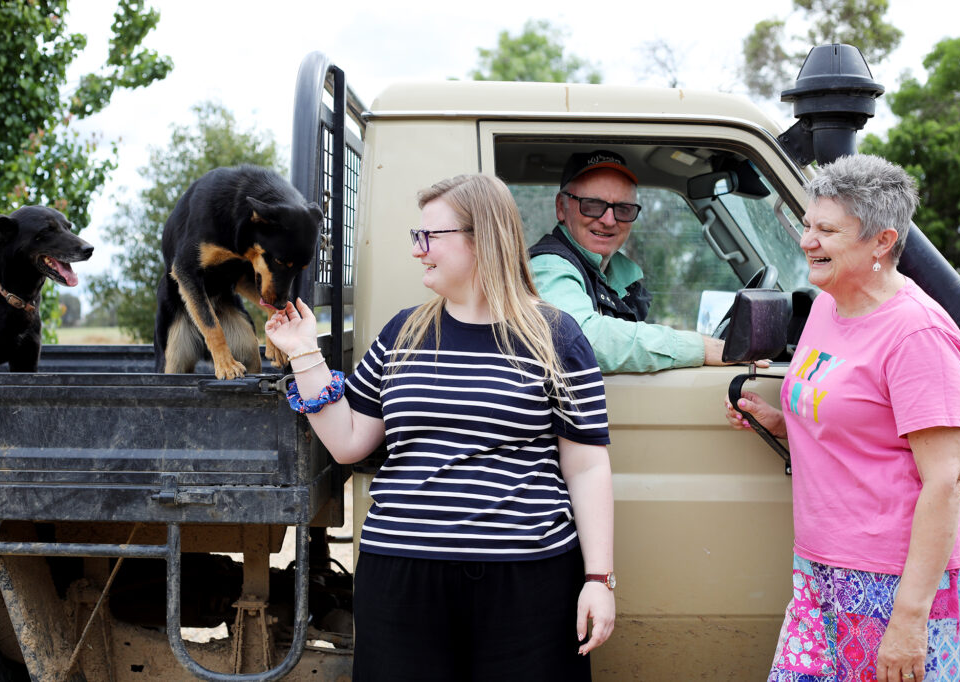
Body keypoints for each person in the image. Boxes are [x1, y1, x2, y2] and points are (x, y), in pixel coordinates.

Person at [265, 173, 615, 681]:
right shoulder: (402, 332)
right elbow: (347, 442)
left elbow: (586, 466)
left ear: (482, 239)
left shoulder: (555, 336)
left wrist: (598, 579)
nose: (417, 250)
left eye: (429, 237)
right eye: (417, 236)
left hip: (529, 584)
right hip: (404, 580)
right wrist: (302, 352)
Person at [724, 154, 960, 682]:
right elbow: (855, 419)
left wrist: (909, 619)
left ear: (882, 242)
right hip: (820, 565)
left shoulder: (917, 334)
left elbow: (947, 480)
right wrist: (780, 420)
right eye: (807, 225)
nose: (806, 240)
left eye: (827, 230)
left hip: (892, 577)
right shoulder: (827, 305)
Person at [529, 149, 727, 373]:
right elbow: (583, 339)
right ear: (560, 207)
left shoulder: (613, 278)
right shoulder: (547, 267)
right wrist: (699, 347)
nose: (609, 220)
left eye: (623, 209)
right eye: (593, 205)